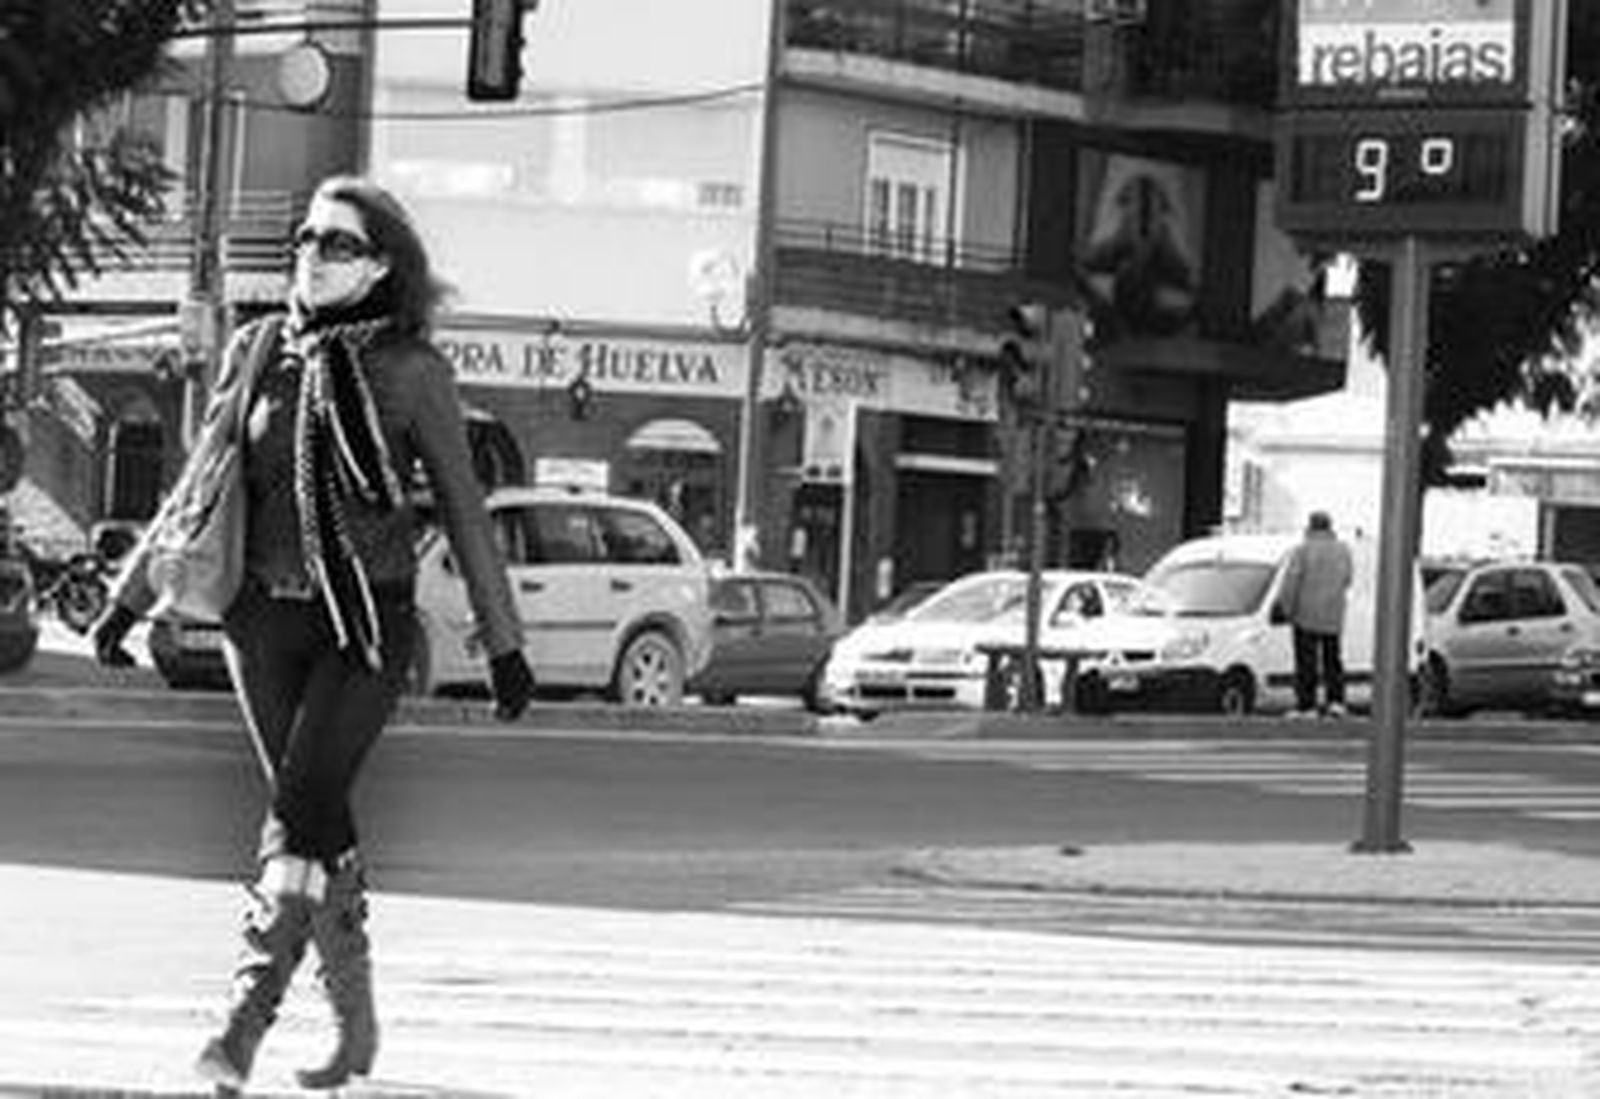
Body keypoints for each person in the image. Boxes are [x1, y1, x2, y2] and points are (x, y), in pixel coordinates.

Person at [90, 175, 536, 1093]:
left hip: (364, 626)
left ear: (380, 268)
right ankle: (356, 1023)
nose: (313, 255)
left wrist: (503, 643)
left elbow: (463, 508)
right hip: (261, 623)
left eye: (338, 243)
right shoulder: (261, 349)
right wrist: (130, 598)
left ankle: (242, 1023)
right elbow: (201, 482)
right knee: (317, 821)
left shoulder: (414, 372)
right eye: (306, 237)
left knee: (296, 810)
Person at [1275, 510, 1354, 718]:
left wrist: (1286, 609)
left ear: (1310, 526)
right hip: (1333, 615)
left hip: (1305, 614)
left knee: (1306, 661)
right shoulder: (1343, 551)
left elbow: (1291, 583)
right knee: (1333, 659)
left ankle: (1307, 704)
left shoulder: (1302, 551)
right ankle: (1336, 701)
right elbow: (1348, 579)